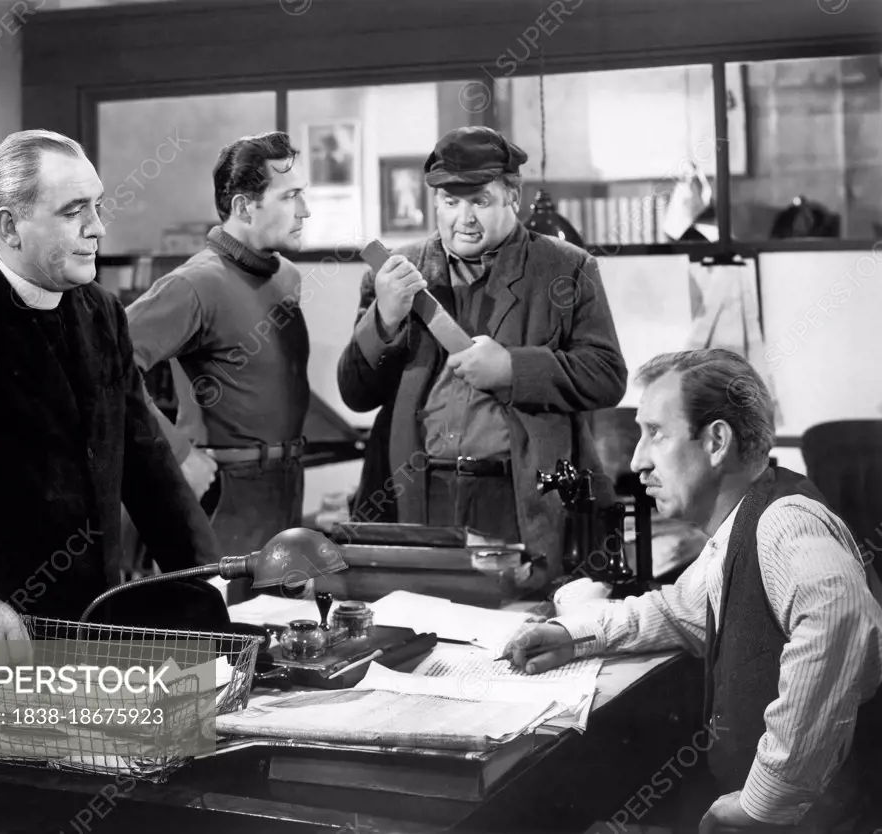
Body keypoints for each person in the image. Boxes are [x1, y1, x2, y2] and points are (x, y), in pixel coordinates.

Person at [0, 129, 227, 660]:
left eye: (97, 207)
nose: (97, 228)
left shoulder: (101, 314)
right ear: (10, 225)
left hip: (85, 628)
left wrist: (207, 578)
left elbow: (149, 466)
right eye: (74, 210)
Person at [504, 349, 882, 832]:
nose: (638, 460)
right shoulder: (742, 525)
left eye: (655, 433)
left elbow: (841, 617)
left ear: (716, 441)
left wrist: (763, 802)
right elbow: (679, 610)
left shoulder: (784, 522)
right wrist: (570, 634)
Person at [336, 125, 627, 583]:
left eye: (480, 201)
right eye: (451, 202)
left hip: (513, 496)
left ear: (514, 196)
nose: (463, 218)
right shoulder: (397, 272)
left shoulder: (567, 267)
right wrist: (384, 320)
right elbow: (355, 392)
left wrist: (514, 368)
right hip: (418, 492)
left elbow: (607, 375)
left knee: (506, 629)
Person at [126, 131, 311, 581]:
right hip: (222, 499)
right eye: (290, 197)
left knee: (273, 638)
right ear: (244, 207)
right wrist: (177, 452)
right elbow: (105, 366)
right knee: (214, 644)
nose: (305, 211)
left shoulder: (286, 276)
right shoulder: (195, 284)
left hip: (283, 493)